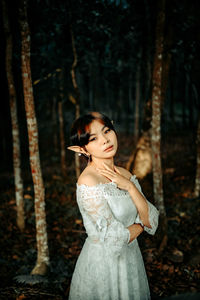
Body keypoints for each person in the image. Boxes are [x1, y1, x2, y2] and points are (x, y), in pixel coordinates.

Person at [67, 112, 159, 300]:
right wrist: (141, 224)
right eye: (93, 138)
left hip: (131, 259)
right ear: (83, 149)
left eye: (107, 131)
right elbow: (114, 238)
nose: (105, 140)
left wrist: (130, 187)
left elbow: (152, 217)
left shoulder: (124, 173)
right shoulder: (88, 181)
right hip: (104, 264)